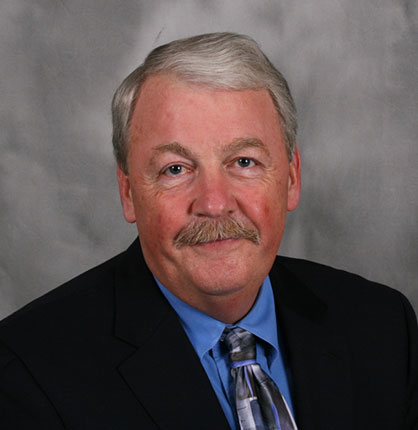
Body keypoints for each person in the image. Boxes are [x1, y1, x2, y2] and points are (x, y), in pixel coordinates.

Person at [0, 32, 417, 430]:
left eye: (244, 162)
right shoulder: (27, 373)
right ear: (128, 192)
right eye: (175, 169)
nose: (215, 203)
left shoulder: (382, 327)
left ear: (291, 178)